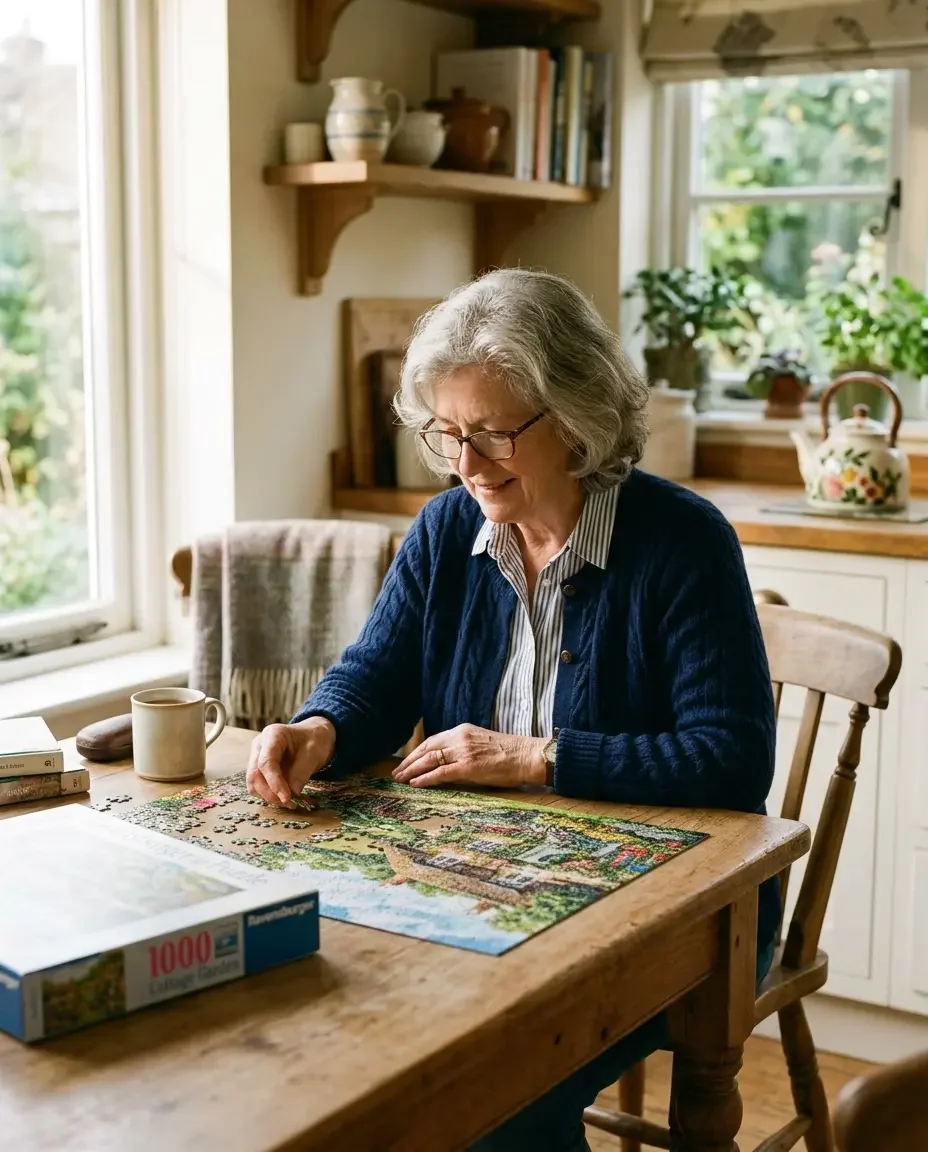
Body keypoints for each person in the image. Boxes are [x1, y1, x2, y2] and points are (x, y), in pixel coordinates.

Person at [247, 268, 778, 1151]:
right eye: (447, 434)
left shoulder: (683, 542)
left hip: (686, 916)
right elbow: (377, 676)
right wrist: (321, 728)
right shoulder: (446, 529)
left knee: (494, 1087)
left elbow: (730, 759)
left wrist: (539, 758)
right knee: (354, 1050)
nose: (466, 466)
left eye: (492, 434)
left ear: (577, 417)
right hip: (482, 888)